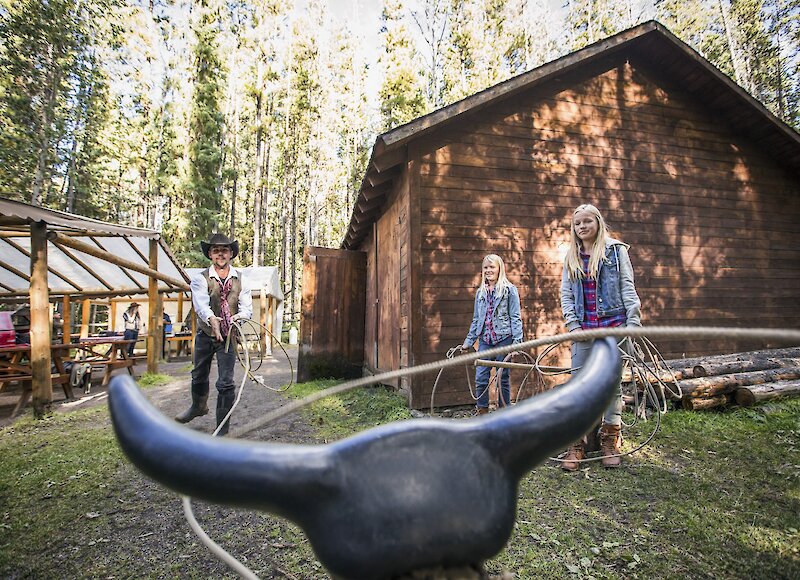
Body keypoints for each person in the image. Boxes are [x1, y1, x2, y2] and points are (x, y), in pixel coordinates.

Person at [560, 203, 641, 470]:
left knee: (611, 385)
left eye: (587, 222)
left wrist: (633, 323)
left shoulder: (616, 252)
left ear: (598, 222)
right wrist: (573, 325)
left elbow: (627, 287)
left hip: (614, 329)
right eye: (577, 223)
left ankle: (609, 441)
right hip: (584, 331)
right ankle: (577, 443)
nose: (582, 227)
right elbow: (566, 295)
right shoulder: (571, 256)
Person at [175, 233, 252, 436]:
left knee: (226, 382)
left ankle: (222, 430)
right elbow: (200, 304)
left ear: (231, 254)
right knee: (199, 373)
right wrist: (212, 319)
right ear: (210, 254)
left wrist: (237, 319)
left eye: (224, 250)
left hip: (229, 337)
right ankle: (198, 406)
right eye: (216, 250)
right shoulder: (200, 279)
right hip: (205, 333)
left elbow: (247, 309)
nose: (220, 254)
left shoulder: (241, 279)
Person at [462, 254, 523, 415]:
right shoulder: (480, 293)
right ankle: (482, 411)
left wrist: (517, 342)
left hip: (504, 338)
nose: (489, 270)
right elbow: (477, 320)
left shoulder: (509, 290)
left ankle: (504, 412)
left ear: (499, 269)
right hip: (485, 341)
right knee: (481, 376)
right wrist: (469, 341)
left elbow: (515, 317)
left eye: (492, 267)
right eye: (486, 268)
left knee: (502, 376)